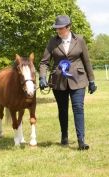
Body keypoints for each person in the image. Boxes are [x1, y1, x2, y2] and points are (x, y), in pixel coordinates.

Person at [39, 15, 97, 150]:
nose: (58, 31)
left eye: (61, 28)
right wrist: (42, 77)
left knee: (78, 108)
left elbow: (87, 61)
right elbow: (44, 62)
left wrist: (92, 80)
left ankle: (81, 140)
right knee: (63, 109)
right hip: (58, 81)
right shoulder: (52, 42)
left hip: (78, 79)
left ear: (68, 27)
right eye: (57, 28)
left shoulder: (80, 40)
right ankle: (64, 135)